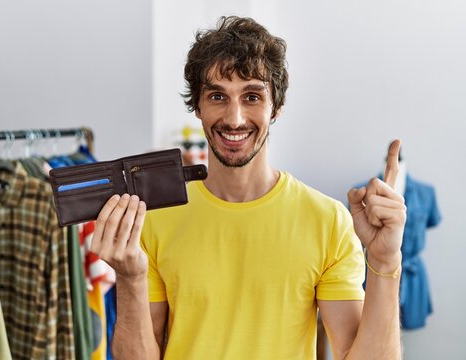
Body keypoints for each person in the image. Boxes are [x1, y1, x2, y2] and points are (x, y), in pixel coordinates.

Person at [90, 16, 406, 359]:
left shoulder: (328, 221)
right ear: (198, 106)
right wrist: (130, 277)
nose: (235, 118)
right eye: (217, 96)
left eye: (252, 96)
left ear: (277, 108)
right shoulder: (155, 218)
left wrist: (385, 260)